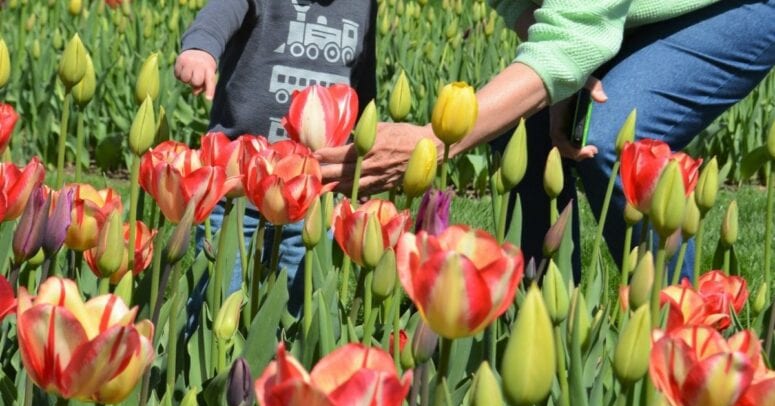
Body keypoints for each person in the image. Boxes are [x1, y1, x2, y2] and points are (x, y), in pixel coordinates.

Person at [316, 0, 775, 280]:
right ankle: (544, 334)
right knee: (519, 128)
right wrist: (562, 77)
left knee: (611, 135)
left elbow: (573, 37)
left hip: (733, 6)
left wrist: (436, 141)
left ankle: (694, 339)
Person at [175, 0, 377, 312]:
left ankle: (286, 346)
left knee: (300, 286)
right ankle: (207, 347)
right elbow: (220, 11)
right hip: (236, 175)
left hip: (307, 183)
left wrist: (364, 153)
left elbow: (361, 77)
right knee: (218, 286)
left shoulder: (363, 5)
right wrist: (201, 48)